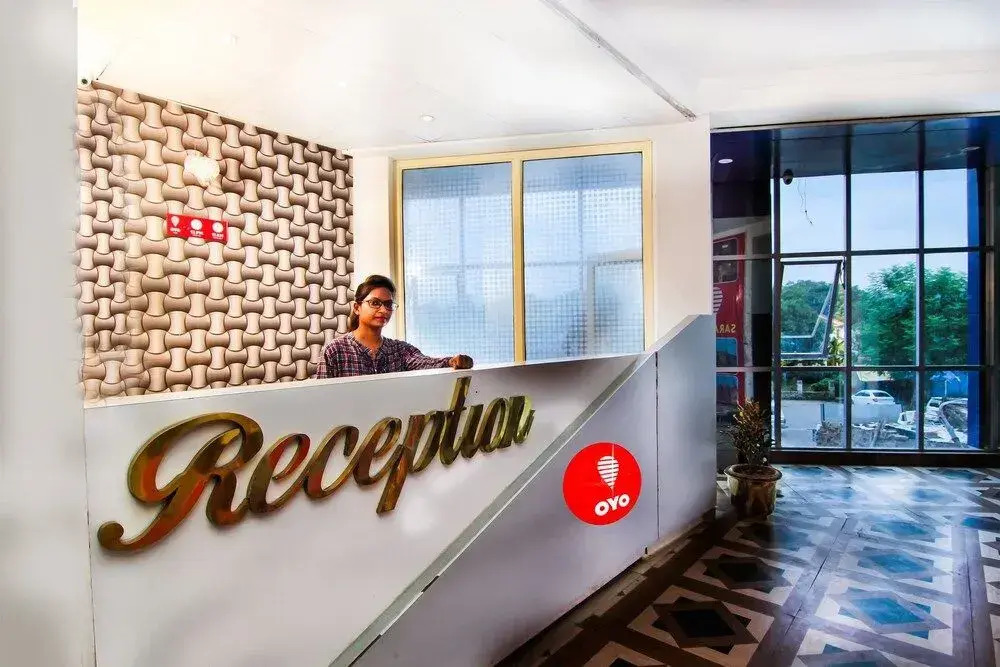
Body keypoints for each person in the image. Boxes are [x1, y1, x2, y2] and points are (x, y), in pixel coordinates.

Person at [313, 274, 473, 379]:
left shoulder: (399, 350)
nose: (383, 310)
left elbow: (424, 362)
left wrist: (452, 361)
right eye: (375, 303)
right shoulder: (335, 350)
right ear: (357, 307)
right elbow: (321, 399)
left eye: (388, 305)